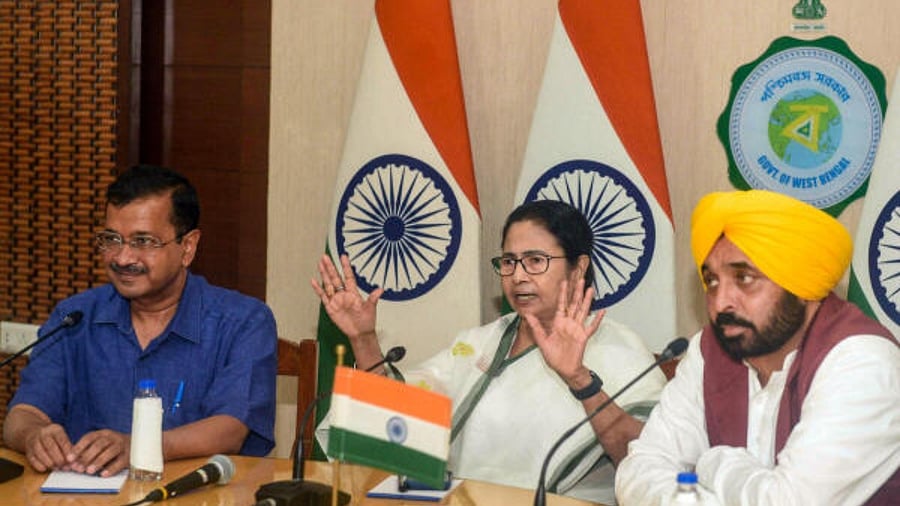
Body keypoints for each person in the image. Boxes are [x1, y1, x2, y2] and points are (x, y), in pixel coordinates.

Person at [312, 199, 665, 503]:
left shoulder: (615, 346)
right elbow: (400, 430)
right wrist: (364, 339)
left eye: (535, 260)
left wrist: (579, 379)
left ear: (580, 267)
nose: (518, 276)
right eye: (509, 262)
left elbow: (650, 463)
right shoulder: (479, 342)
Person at [616, 189, 900, 505]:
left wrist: (715, 463)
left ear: (800, 283)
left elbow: (791, 502)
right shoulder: (710, 349)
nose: (721, 302)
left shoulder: (862, 360)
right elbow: (637, 471)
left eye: (745, 278)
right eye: (711, 281)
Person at [3, 165, 278, 477]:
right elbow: (23, 413)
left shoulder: (243, 321)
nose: (122, 258)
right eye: (112, 239)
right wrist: (34, 436)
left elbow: (231, 429)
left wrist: (137, 446)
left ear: (187, 247)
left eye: (143, 241)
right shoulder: (74, 318)